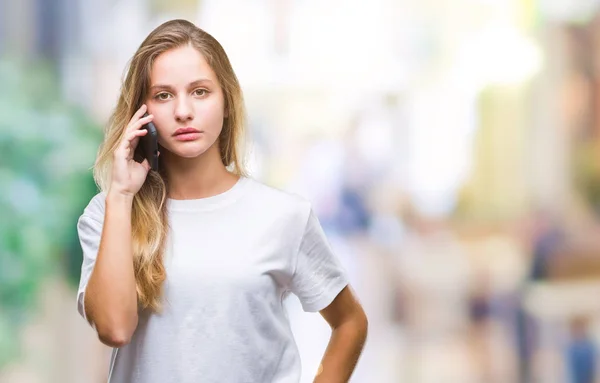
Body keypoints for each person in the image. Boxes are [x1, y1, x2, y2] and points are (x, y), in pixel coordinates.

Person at [75, 19, 368, 383]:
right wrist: (120, 195)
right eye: (164, 95)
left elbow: (350, 322)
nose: (183, 111)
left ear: (227, 101)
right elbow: (114, 329)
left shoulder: (283, 216)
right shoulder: (107, 214)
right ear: (142, 113)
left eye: (200, 91)